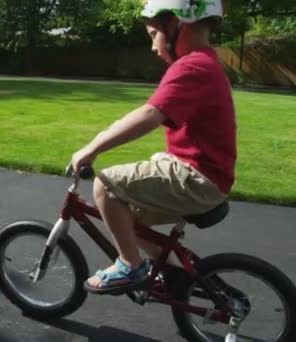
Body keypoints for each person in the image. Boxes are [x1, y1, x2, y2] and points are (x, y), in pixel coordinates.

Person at [71, 0, 237, 295]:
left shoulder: (193, 66)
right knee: (125, 213)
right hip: (206, 176)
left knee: (105, 185)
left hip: (197, 178)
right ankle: (174, 274)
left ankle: (129, 265)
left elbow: (149, 115)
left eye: (152, 35)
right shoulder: (204, 62)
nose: (152, 47)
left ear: (177, 23)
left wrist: (92, 148)